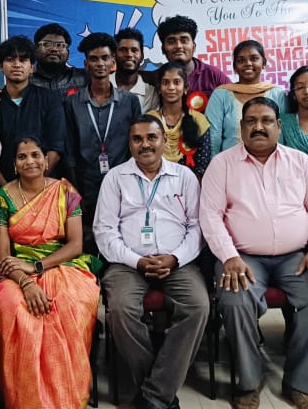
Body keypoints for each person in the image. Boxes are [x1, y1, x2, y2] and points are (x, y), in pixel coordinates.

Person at [200, 97, 308, 409]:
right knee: (234, 300)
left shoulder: (300, 162)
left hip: (297, 257)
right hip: (242, 258)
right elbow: (209, 216)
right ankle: (250, 381)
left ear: (278, 126)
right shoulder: (222, 164)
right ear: (241, 127)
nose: (258, 127)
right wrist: (229, 256)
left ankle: (299, 383)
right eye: (251, 121)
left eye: (266, 121)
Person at [93, 115, 207, 409]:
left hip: (177, 261)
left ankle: (152, 397)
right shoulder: (115, 178)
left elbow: (197, 227)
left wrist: (175, 258)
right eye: (137, 139)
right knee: (120, 309)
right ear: (129, 143)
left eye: (151, 137)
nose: (145, 144)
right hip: (126, 263)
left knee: (198, 305)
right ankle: (160, 393)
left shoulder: (184, 177)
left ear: (164, 140)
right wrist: (137, 261)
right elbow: (104, 231)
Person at [0, 137, 100, 409]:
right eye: (22, 157)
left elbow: (75, 245)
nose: (30, 161)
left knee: (68, 305)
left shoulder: (65, 191)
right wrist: (26, 282)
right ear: (14, 165)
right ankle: (23, 397)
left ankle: (65, 396)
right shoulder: (2, 198)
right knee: (13, 308)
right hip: (15, 270)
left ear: (46, 161)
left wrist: (38, 267)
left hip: (62, 265)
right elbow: (3, 255)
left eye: (35, 155)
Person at [65, 32, 142, 254]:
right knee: (89, 244)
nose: (100, 63)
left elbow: (137, 145)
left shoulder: (130, 102)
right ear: (86, 64)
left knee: (123, 239)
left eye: (105, 58)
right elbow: (69, 150)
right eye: (94, 59)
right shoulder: (72, 103)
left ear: (113, 62)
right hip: (85, 185)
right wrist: (75, 192)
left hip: (123, 184)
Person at [0, 36, 67, 187]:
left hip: (43, 189)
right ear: (1, 66)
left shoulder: (49, 99)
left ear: (32, 68)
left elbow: (56, 149)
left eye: (23, 60)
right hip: (1, 190)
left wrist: (33, 184)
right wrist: (9, 192)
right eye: (10, 59)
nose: (17, 64)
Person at [206, 40, 287, 155]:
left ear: (264, 63)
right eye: (241, 60)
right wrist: (215, 163)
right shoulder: (221, 95)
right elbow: (213, 137)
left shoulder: (277, 94)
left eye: (254, 58)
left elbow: (285, 133)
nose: (248, 63)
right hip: (231, 162)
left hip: (273, 161)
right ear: (234, 66)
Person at [145, 61, 213, 177]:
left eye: (177, 82)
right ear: (159, 88)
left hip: (191, 183)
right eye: (165, 82)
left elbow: (202, 167)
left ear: (186, 87)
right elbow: (145, 160)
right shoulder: (149, 120)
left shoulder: (199, 121)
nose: (171, 87)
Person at [156, 15, 231, 97]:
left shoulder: (213, 75)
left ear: (194, 46)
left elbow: (236, 100)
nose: (178, 46)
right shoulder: (156, 78)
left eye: (184, 40)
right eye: (171, 41)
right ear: (163, 48)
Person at [31, 23, 89, 96]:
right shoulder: (25, 80)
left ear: (68, 53)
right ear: (35, 50)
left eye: (60, 45)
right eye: (47, 44)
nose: (54, 49)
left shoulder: (84, 77)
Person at [114, 27, 154, 109]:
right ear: (114, 55)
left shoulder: (151, 93)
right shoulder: (102, 85)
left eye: (134, 50)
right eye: (123, 50)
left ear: (142, 56)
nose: (129, 55)